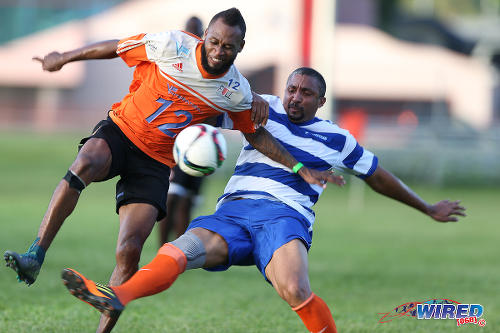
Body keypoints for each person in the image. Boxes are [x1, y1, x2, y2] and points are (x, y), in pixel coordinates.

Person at [60, 67, 466, 333]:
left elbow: (379, 178)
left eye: (306, 93)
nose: (295, 97)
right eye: (291, 88)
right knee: (178, 250)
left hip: (284, 218)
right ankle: (117, 295)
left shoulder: (338, 139)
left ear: (320, 101)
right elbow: (202, 112)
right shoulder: (261, 107)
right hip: (233, 211)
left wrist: (427, 208)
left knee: (294, 288)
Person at [4, 9, 335, 333]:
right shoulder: (171, 45)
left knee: (130, 250)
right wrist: (64, 57)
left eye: (229, 47)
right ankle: (36, 253)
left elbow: (256, 133)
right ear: (204, 36)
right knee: (86, 162)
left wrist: (299, 167)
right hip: (121, 130)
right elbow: (116, 47)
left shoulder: (236, 91)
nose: (220, 51)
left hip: (156, 163)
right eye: (215, 42)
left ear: (240, 48)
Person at [158, 16, 206, 246]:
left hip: (204, 145)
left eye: (197, 32)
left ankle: (179, 251)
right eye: (190, 31)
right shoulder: (176, 61)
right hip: (178, 144)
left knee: (188, 200)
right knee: (172, 196)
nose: (193, 36)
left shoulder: (210, 63)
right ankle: (162, 249)